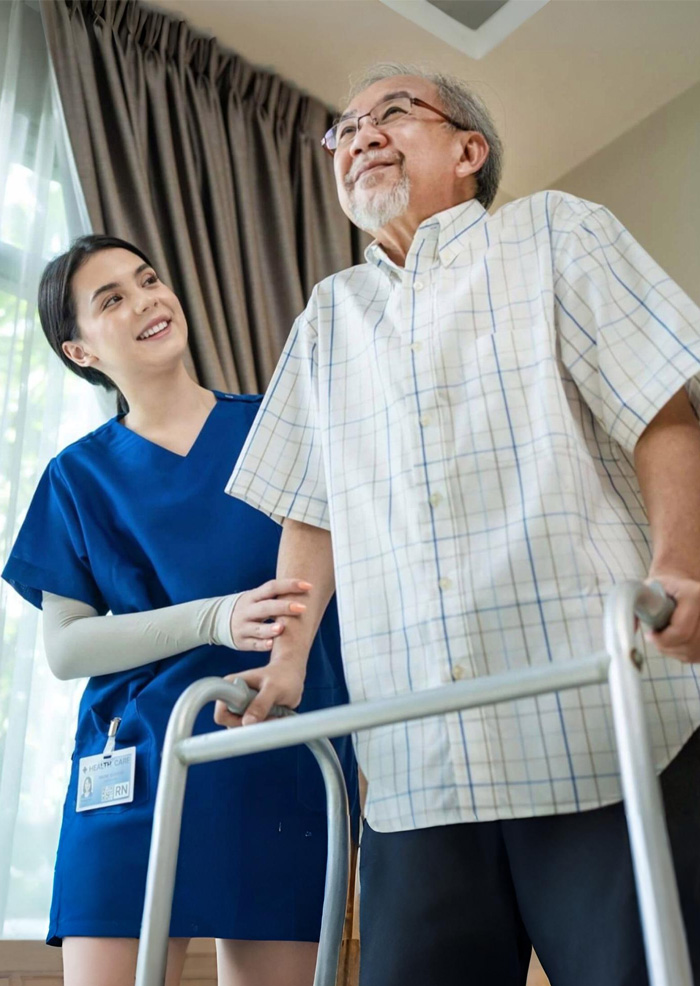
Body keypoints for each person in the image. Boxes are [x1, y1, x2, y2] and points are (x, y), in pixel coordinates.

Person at [220, 63, 700, 986]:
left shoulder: (556, 232)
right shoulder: (327, 317)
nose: (358, 135)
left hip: (599, 737)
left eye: (392, 114)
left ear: (469, 151)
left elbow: (661, 412)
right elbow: (310, 515)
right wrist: (284, 664)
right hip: (416, 769)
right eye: (344, 128)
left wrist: (680, 567)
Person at [2, 235, 357, 986]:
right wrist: (212, 619)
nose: (147, 301)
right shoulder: (75, 478)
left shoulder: (281, 431)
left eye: (148, 280)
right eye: (113, 301)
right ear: (79, 351)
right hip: (132, 772)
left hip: (273, 756)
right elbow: (67, 651)